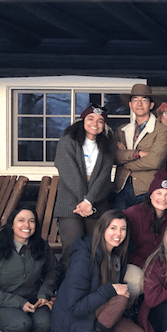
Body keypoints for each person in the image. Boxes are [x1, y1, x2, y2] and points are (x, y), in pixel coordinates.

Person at [46, 210, 147, 332]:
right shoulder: (83, 258)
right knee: (120, 298)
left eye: (123, 229)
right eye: (113, 228)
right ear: (102, 229)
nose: (118, 234)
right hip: (75, 319)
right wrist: (110, 290)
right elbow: (75, 308)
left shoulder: (117, 254)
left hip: (99, 315)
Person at [54, 103, 115, 269]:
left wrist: (89, 200)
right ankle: (67, 288)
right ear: (82, 120)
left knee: (96, 246)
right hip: (70, 203)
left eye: (100, 120)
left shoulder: (108, 144)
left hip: (96, 203)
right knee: (72, 247)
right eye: (91, 118)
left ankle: (92, 288)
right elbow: (68, 171)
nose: (95, 123)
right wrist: (85, 200)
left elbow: (104, 176)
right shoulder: (69, 140)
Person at [123, 170, 167, 302]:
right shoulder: (134, 213)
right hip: (135, 263)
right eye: (158, 193)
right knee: (139, 282)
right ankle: (126, 311)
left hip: (160, 264)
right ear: (150, 195)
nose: (163, 198)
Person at [113, 83, 167, 211]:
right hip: (121, 187)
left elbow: (154, 161)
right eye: (135, 100)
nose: (139, 104)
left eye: (144, 100)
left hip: (146, 189)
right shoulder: (122, 130)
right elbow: (115, 157)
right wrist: (137, 154)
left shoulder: (162, 131)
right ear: (130, 105)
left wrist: (127, 164)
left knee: (143, 228)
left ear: (151, 105)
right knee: (120, 227)